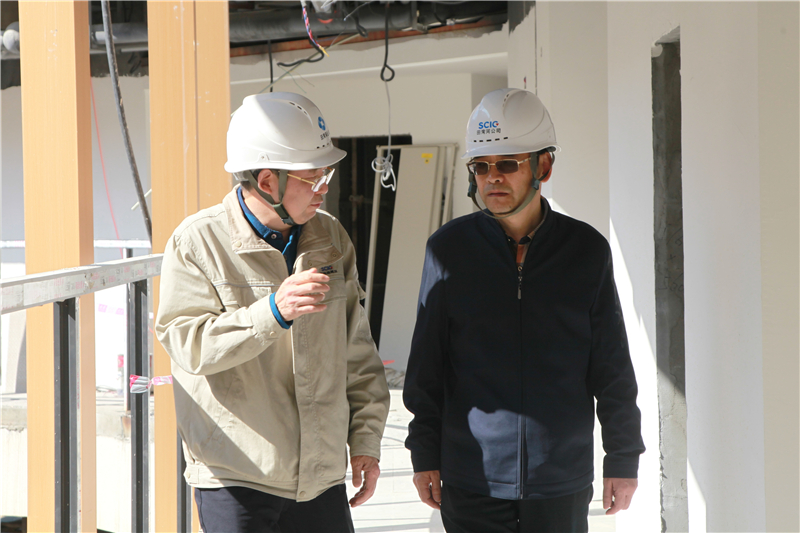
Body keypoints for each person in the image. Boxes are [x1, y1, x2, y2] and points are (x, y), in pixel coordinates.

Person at [403, 88, 645, 533]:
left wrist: (623, 456)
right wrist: (424, 454)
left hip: (560, 479)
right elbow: (426, 368)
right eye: (481, 166)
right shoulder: (448, 250)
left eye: (508, 164)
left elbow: (611, 365)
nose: (492, 177)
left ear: (543, 167)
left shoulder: (586, 250)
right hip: (471, 477)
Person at [155, 92, 390, 533]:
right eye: (313, 178)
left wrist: (365, 439)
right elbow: (188, 345)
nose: (325, 188)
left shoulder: (331, 238)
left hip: (320, 478)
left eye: (325, 175)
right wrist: (272, 313)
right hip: (237, 478)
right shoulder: (197, 242)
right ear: (267, 181)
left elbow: (356, 349)